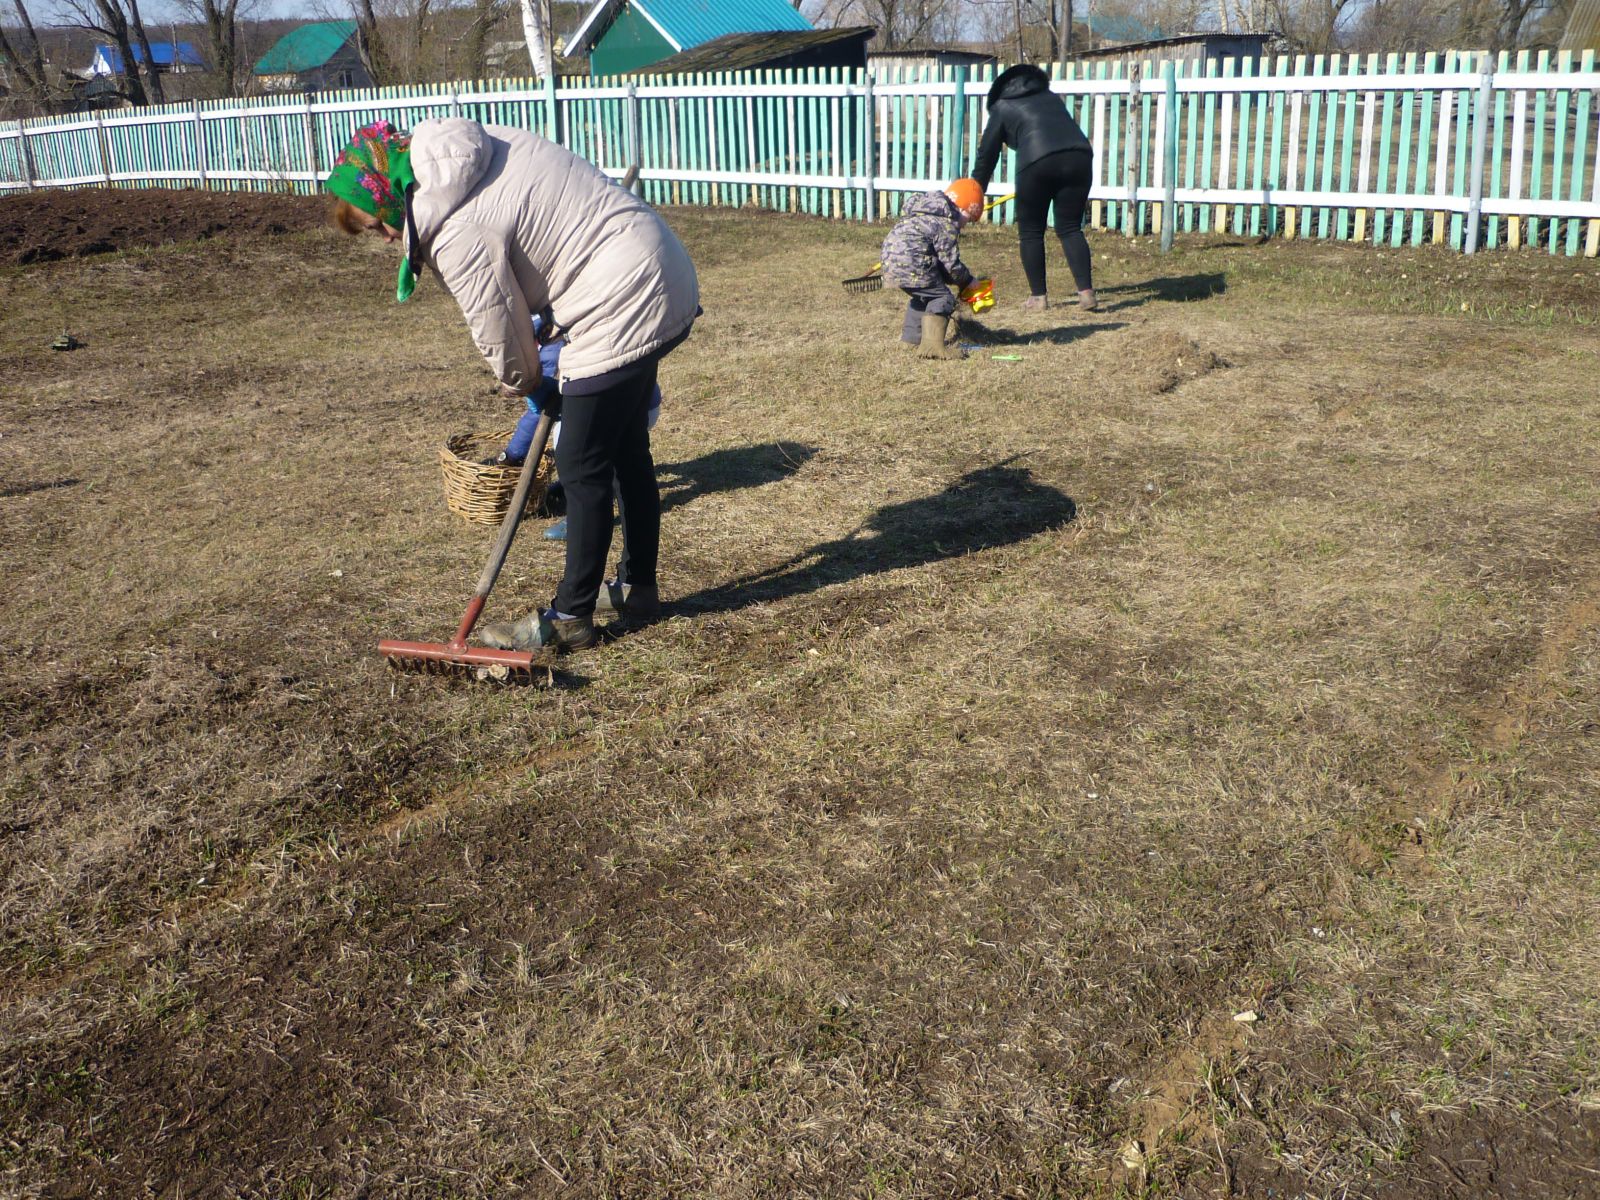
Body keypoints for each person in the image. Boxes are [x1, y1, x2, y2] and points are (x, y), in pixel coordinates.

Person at [326, 118, 698, 652]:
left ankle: (570, 617)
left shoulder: (452, 225)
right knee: (625, 450)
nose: (385, 237)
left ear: (385, 195)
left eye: (376, 224)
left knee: (581, 464)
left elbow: (498, 323)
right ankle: (637, 590)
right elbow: (547, 239)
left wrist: (527, 381)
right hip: (653, 266)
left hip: (618, 298)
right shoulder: (468, 152)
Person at [971, 63, 1097, 312]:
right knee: (1070, 227)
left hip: (1036, 161)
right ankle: (1086, 293)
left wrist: (976, 190)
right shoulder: (1051, 97)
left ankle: (1038, 298)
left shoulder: (1002, 106)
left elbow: (987, 153)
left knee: (1030, 232)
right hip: (1079, 156)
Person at [880, 178, 984, 360]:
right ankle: (932, 347)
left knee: (924, 296)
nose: (965, 225)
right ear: (961, 208)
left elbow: (942, 266)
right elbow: (951, 264)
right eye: (969, 218)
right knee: (942, 298)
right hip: (913, 263)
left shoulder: (921, 214)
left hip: (890, 261)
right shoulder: (945, 224)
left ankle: (910, 341)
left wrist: (954, 279)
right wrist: (967, 280)